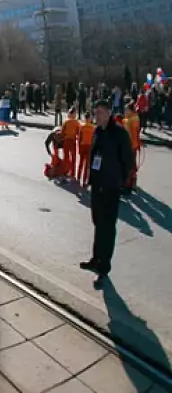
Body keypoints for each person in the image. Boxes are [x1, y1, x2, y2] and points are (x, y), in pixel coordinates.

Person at [82, 100, 134, 289]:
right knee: (98, 223)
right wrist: (90, 179)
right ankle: (96, 259)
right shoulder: (98, 131)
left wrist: (120, 182)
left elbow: (128, 160)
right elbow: (93, 156)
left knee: (107, 227)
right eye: (95, 113)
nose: (97, 116)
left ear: (109, 113)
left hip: (111, 187)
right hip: (97, 186)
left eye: (101, 113)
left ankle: (103, 269)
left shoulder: (119, 133)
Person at [61, 108, 81, 178]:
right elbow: (79, 133)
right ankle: (72, 172)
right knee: (73, 158)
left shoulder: (65, 122)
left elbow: (62, 133)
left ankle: (65, 171)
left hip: (66, 141)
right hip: (72, 141)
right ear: (73, 114)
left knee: (66, 157)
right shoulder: (77, 123)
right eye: (75, 113)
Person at [77, 112, 95, 187]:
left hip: (83, 146)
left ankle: (78, 178)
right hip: (89, 147)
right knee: (87, 165)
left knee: (81, 163)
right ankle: (84, 181)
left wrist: (79, 148)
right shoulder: (93, 128)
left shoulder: (82, 127)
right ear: (90, 118)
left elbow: (79, 139)